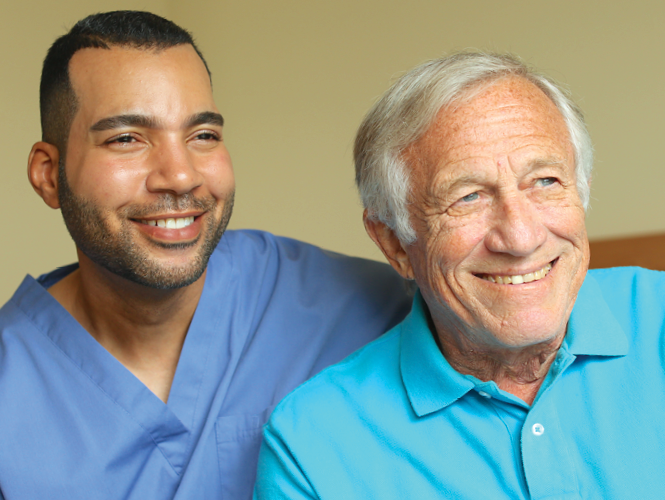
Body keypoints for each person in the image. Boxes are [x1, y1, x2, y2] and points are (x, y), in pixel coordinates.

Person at [0, 11, 412, 500]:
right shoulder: (12, 386)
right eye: (127, 139)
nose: (180, 176)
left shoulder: (353, 304)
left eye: (203, 136)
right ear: (49, 174)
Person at [254, 52, 665, 499]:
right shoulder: (312, 446)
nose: (521, 237)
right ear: (393, 242)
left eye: (545, 181)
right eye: (468, 197)